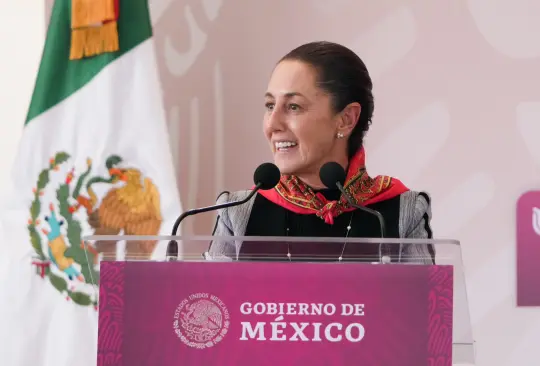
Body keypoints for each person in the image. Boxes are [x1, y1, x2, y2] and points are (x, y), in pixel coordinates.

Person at [207, 41, 434, 264]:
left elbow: (425, 301)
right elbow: (211, 300)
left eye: (293, 106)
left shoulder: (402, 212)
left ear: (346, 119)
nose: (272, 124)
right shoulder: (237, 213)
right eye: (269, 106)